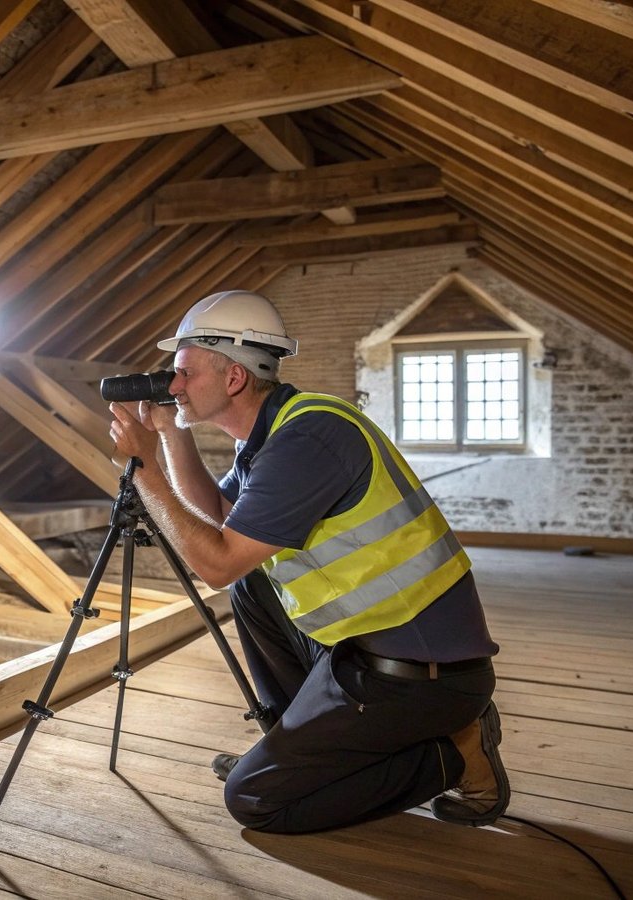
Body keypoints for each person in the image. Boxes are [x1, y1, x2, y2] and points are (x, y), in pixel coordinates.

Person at [106, 289, 509, 834]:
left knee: (255, 801)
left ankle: (457, 752)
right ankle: (290, 744)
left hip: (420, 675)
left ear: (234, 379)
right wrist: (169, 438)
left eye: (183, 372)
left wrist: (143, 468)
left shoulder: (309, 438)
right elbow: (221, 518)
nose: (171, 385)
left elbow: (217, 563)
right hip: (363, 646)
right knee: (254, 586)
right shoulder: (275, 434)